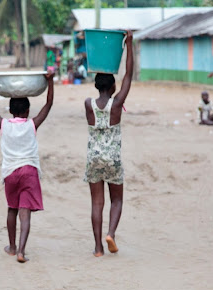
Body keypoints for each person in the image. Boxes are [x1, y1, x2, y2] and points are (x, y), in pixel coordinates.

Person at [0, 69, 55, 263]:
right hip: (29, 171)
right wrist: (51, 82)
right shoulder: (32, 124)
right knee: (25, 213)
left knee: (11, 209)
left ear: (11, 110)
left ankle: (12, 247)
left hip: (10, 173)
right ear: (28, 111)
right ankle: (22, 251)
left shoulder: (4, 124)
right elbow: (48, 105)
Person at [83, 30, 133, 257]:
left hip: (94, 158)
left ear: (96, 85)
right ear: (113, 86)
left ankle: (97, 248)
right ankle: (110, 233)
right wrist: (129, 45)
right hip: (113, 159)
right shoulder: (116, 104)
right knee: (117, 200)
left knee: (96, 203)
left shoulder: (88, 104)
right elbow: (129, 76)